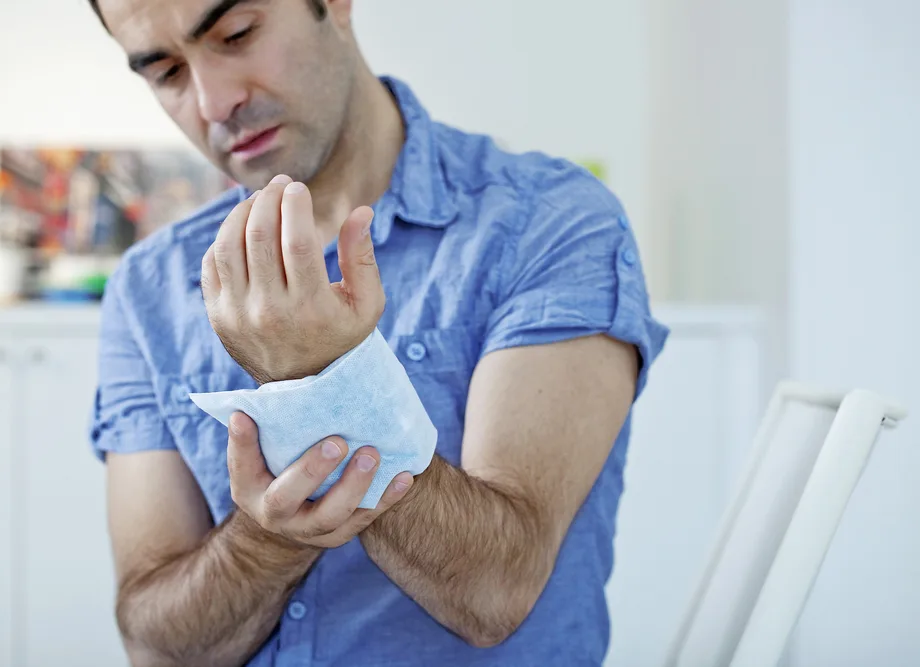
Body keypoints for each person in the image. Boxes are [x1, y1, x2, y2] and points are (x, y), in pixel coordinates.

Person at [87, 0, 669, 665]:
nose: (214, 102)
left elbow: (495, 591)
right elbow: (156, 646)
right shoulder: (150, 288)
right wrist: (270, 535)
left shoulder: (549, 223)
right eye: (165, 72)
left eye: (236, 34)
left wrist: (317, 383)